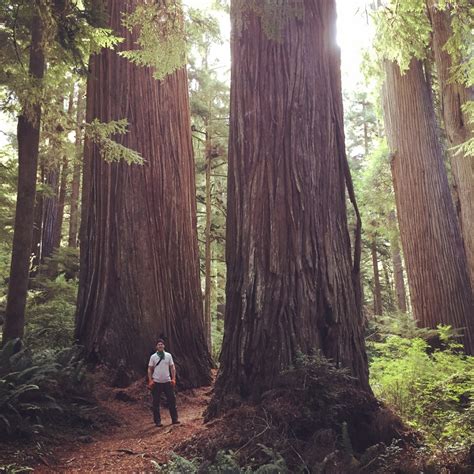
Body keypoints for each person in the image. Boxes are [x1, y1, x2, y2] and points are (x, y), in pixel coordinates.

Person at [147, 339, 180, 427]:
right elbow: (150, 369)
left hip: (167, 381)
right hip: (156, 382)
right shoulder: (153, 357)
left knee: (172, 401)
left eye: (161, 344)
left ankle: (175, 419)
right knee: (156, 403)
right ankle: (157, 421)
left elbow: (172, 367)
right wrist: (150, 380)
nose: (160, 346)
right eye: (158, 345)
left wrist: (173, 379)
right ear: (156, 347)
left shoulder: (168, 356)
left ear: (164, 346)